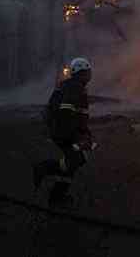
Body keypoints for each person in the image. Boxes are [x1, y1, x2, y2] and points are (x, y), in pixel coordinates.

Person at [33, 57, 95, 207]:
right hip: (65, 132)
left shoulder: (72, 86)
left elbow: (76, 114)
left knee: (74, 161)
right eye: (87, 72)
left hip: (63, 131)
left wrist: (85, 132)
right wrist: (77, 135)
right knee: (77, 158)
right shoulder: (75, 87)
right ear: (81, 72)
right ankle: (45, 168)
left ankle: (57, 197)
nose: (90, 75)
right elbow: (66, 113)